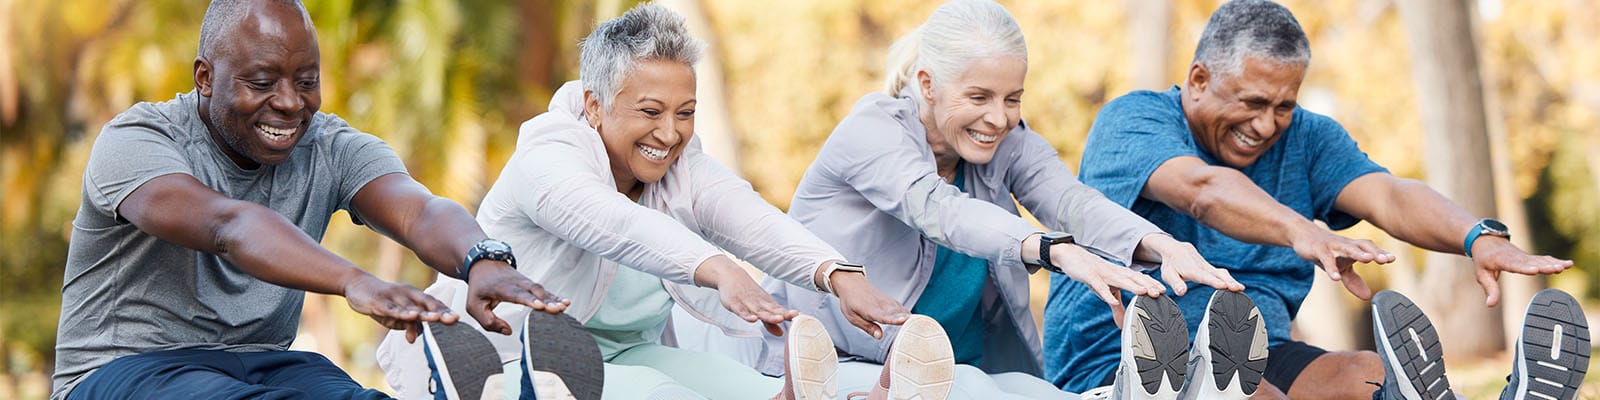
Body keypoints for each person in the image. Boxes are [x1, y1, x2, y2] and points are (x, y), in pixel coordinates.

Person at [376, 4, 928, 400]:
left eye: (685, 113)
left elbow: (747, 215)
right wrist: (718, 270)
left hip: (623, 353)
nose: (670, 133)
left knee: (751, 390)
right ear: (595, 105)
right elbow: (612, 223)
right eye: (650, 111)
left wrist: (836, 274)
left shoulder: (681, 166)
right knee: (666, 394)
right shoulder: (546, 157)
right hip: (504, 356)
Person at [1045, 1, 1585, 399]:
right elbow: (1201, 191)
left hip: (1259, 349)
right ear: (1199, 80)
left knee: (1368, 377)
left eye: (1283, 106)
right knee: (1248, 393)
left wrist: (1476, 237)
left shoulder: (1308, 137)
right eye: (1253, 102)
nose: (1266, 125)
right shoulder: (1133, 120)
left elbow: (1389, 195)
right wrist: (1302, 231)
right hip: (1126, 361)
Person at [50, 1, 568, 399]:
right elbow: (229, 226)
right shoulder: (137, 141)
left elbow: (419, 209)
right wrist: (355, 281)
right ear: (205, 77)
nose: (290, 103)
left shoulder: (329, 146)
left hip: (265, 362)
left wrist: (481, 258)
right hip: (123, 369)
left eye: (307, 82)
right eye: (261, 82)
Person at [761, 1, 1251, 398]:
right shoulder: (872, 131)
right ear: (928, 84)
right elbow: (940, 211)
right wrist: (1054, 250)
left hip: (961, 369)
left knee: (1036, 394)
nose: (999, 118)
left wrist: (1161, 244)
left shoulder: (1007, 143)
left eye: (1012, 98)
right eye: (979, 97)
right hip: (839, 364)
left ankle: (1163, 393)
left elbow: (1070, 202)